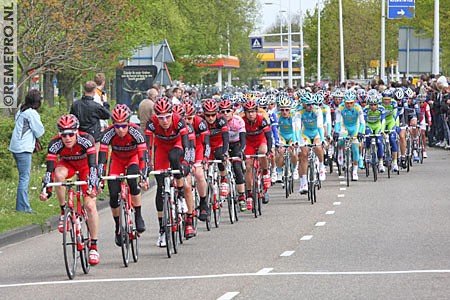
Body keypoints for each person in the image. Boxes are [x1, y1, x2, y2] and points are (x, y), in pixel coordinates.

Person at [39, 114, 100, 265]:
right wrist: (46, 190)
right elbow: (49, 171)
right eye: (63, 134)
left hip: (86, 168)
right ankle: (63, 211)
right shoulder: (55, 144)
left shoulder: (87, 140)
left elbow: (94, 167)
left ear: (77, 132)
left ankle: (94, 246)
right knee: (58, 175)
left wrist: (92, 186)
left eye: (70, 134)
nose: (67, 138)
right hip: (68, 165)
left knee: (90, 205)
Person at [145, 97, 193, 247]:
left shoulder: (179, 121)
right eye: (161, 117)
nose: (164, 121)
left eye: (167, 117)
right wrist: (147, 165)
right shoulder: (151, 123)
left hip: (177, 145)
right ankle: (162, 229)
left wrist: (185, 163)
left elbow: (187, 145)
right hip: (161, 148)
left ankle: (179, 196)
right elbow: (147, 146)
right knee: (160, 188)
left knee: (174, 158)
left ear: (172, 114)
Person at [98, 104, 148, 246]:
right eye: (117, 126)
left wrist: (143, 176)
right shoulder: (107, 134)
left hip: (133, 158)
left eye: (124, 126)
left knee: (133, 182)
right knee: (113, 195)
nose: (120, 130)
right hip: (117, 160)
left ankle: (138, 216)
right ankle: (118, 226)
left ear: (128, 123)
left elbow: (143, 156)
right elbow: (102, 159)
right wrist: (100, 180)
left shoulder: (136, 131)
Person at [9, 89, 45, 213]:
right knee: (24, 178)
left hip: (15, 146)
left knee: (22, 177)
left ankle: (21, 205)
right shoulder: (31, 113)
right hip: (23, 148)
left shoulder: (21, 110)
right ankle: (23, 207)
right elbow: (40, 131)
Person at [70, 81, 111, 148]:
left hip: (79, 137)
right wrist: (105, 102)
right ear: (94, 90)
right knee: (94, 157)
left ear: (84, 89)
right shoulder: (96, 106)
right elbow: (107, 115)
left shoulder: (75, 104)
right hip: (93, 138)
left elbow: (72, 118)